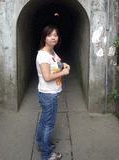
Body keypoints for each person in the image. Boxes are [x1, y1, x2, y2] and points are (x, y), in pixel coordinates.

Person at [36, 25, 70, 160]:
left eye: (55, 35)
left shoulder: (52, 52)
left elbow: (55, 64)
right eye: (50, 35)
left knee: (44, 120)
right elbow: (47, 77)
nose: (53, 37)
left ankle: (41, 144)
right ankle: (47, 154)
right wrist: (63, 73)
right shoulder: (43, 55)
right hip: (48, 94)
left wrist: (63, 64)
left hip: (51, 93)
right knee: (48, 125)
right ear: (44, 38)